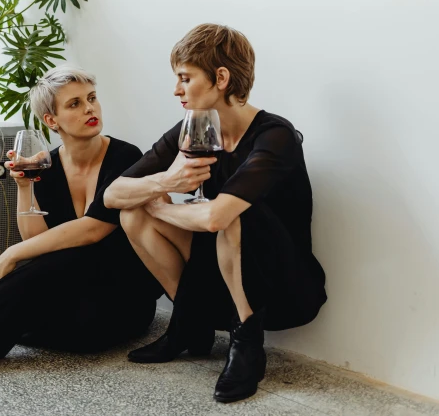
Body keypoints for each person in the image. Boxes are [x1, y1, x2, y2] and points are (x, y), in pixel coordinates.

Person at [104, 24, 327, 403]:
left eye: (185, 78)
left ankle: (247, 342)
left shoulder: (276, 136)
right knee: (132, 214)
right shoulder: (196, 127)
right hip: (218, 265)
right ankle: (191, 324)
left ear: (221, 78)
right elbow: (112, 195)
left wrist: (159, 204)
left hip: (283, 284)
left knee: (232, 213)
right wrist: (164, 183)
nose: (177, 90)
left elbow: (215, 218)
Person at [0, 65, 163, 387]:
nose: (90, 108)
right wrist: (25, 188)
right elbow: (38, 241)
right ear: (51, 120)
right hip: (73, 291)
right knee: (63, 281)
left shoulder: (126, 157)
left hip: (125, 291)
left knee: (80, 282)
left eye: (91, 98)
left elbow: (95, 229)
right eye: (75, 104)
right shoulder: (48, 166)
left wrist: (10, 253)